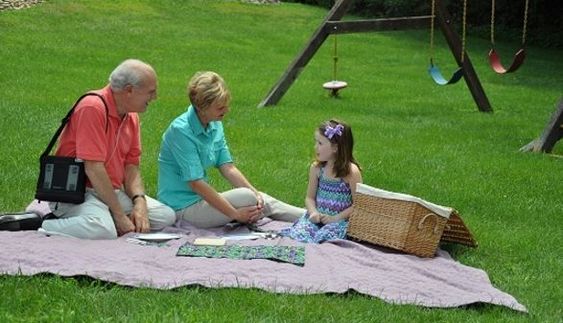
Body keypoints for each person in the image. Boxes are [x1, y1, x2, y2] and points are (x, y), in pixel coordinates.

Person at [40, 59, 176, 239]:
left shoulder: (131, 116)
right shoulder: (92, 107)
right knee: (104, 230)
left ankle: (102, 215)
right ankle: (44, 224)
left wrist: (139, 201)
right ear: (129, 90)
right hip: (78, 192)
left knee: (165, 216)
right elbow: (93, 168)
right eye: (151, 92)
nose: (155, 97)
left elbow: (131, 166)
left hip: (108, 192)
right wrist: (119, 215)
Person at [158, 71, 305, 228]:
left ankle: (310, 216)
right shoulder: (180, 131)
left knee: (256, 198)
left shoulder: (215, 124)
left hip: (202, 201)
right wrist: (235, 215)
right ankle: (310, 217)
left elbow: (227, 167)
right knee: (248, 198)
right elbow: (196, 184)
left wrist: (254, 192)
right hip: (182, 208)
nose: (226, 110)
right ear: (202, 107)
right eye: (220, 107)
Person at [280, 119, 362, 243]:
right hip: (317, 219)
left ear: (335, 148)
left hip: (339, 222)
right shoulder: (317, 169)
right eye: (316, 142)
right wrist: (313, 212)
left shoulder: (351, 172)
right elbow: (310, 198)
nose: (315, 147)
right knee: (299, 233)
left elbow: (359, 205)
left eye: (320, 143)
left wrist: (335, 218)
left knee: (326, 238)